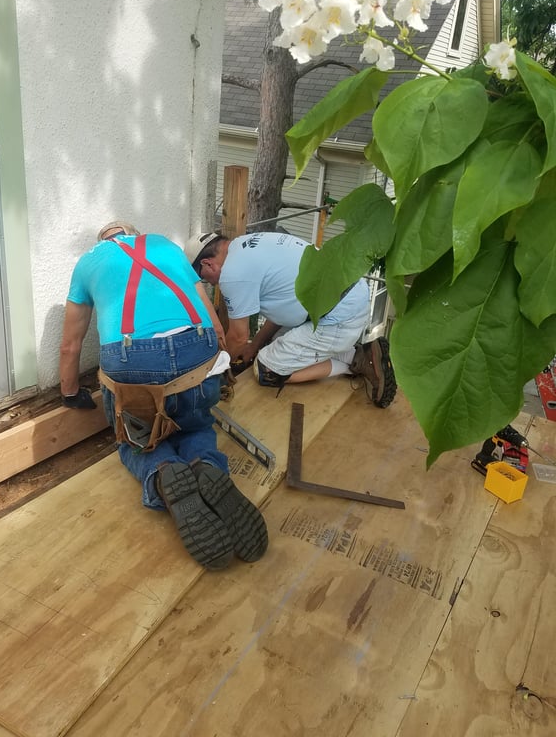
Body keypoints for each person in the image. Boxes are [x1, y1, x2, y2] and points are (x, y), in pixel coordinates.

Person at [59, 220, 267, 571]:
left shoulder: (87, 263)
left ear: (103, 241)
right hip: (196, 350)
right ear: (135, 233)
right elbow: (216, 325)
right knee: (196, 425)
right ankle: (204, 465)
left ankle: (161, 471)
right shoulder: (166, 246)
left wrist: (69, 393)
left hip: (133, 361)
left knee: (134, 439)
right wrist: (216, 368)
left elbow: (70, 345)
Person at [184, 231, 397, 407]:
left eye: (205, 279)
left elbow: (238, 337)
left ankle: (356, 362)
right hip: (345, 298)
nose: (211, 284)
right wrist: (255, 345)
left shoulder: (233, 274)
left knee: (266, 369)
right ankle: (357, 353)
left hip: (338, 317)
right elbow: (282, 307)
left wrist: (217, 369)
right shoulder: (246, 244)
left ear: (208, 264)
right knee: (271, 346)